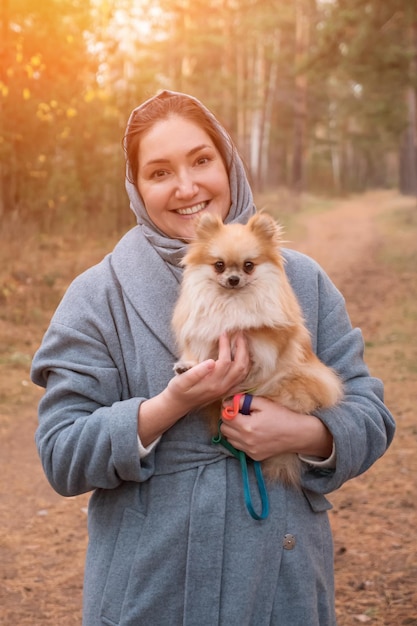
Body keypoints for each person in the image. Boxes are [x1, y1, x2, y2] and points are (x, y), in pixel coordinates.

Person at [31, 90, 395, 626]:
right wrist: (166, 406)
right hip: (152, 592)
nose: (187, 187)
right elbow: (62, 455)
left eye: (201, 160)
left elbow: (371, 417)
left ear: (228, 163)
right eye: (159, 172)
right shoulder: (97, 296)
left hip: (282, 584)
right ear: (136, 188)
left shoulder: (304, 280)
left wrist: (303, 434)